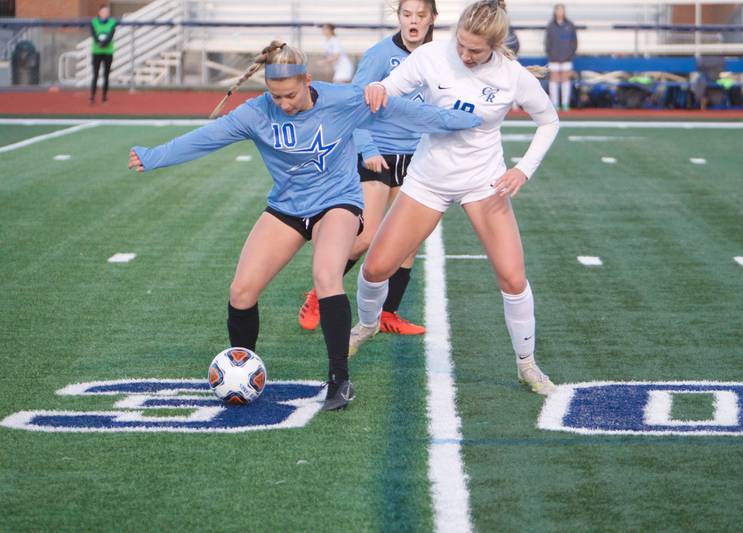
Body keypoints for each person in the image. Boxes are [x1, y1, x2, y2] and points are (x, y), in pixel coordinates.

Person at [127, 41, 481, 411]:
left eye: (290, 95)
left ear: (308, 80)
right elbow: (206, 139)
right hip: (288, 207)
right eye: (275, 96)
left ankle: (339, 380)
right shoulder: (256, 113)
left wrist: (469, 120)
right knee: (241, 291)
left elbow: (405, 112)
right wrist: (154, 157)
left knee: (327, 275)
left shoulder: (343, 100)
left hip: (338, 202)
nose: (283, 104)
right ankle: (242, 367)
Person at [351, 0, 560, 395]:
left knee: (513, 277)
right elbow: (390, 88)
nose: (465, 55)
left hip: (483, 182)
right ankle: (365, 324)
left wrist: (522, 168)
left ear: (495, 45)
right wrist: (378, 88)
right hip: (428, 179)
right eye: (461, 45)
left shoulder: (512, 76)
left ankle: (528, 365)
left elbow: (549, 120)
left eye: (475, 51)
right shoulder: (432, 55)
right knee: (376, 268)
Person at [298, 0, 438, 337]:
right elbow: (354, 103)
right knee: (367, 236)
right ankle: (318, 292)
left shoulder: (440, 57)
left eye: (421, 15)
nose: (413, 21)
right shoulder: (379, 55)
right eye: (407, 15)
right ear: (398, 17)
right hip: (379, 155)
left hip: (417, 158)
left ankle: (389, 313)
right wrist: (369, 149)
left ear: (433, 18)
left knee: (408, 242)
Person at [545, 4, 577, 112]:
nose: (559, 12)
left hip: (566, 58)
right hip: (554, 58)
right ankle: (554, 104)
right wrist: (551, 55)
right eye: (558, 10)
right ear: (555, 12)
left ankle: (565, 104)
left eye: (561, 10)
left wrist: (570, 54)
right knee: (553, 79)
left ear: (564, 12)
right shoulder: (551, 26)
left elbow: (574, 42)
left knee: (565, 79)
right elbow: (547, 43)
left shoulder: (570, 25)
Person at [89, 4, 117, 103]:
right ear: (99, 12)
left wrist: (104, 43)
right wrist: (99, 43)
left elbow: (111, 35)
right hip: (97, 51)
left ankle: (104, 97)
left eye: (107, 11)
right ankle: (92, 96)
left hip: (108, 52)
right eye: (103, 11)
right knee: (95, 74)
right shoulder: (94, 22)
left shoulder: (112, 22)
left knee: (106, 75)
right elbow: (93, 34)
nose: (105, 13)